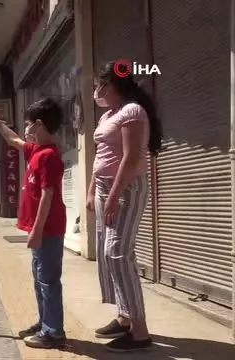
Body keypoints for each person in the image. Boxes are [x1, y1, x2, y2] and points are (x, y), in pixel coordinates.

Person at [0, 98, 67, 349]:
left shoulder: (48, 156)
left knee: (48, 280)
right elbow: (14, 141)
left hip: (48, 230)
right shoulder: (36, 151)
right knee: (40, 279)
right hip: (40, 231)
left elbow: (48, 195)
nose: (26, 130)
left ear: (39, 124)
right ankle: (45, 322)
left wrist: (37, 231)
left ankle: (54, 332)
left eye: (28, 125)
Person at [86, 60, 162, 352]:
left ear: (112, 85)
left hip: (126, 188)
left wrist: (115, 195)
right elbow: (100, 156)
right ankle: (124, 317)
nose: (96, 90)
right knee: (108, 257)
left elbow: (131, 159)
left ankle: (140, 332)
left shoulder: (132, 111)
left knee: (117, 254)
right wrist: (93, 191)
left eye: (99, 85)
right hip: (106, 188)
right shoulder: (109, 115)